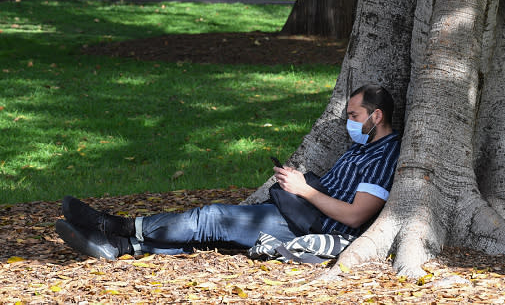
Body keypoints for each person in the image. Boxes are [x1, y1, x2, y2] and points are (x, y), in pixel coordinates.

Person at [56, 84, 401, 260]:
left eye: (354, 116)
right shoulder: (363, 146)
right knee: (216, 237)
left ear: (377, 116)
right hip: (301, 211)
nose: (348, 122)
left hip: (313, 223)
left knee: (212, 218)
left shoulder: (384, 156)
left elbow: (356, 217)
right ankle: (120, 246)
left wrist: (304, 190)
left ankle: (117, 226)